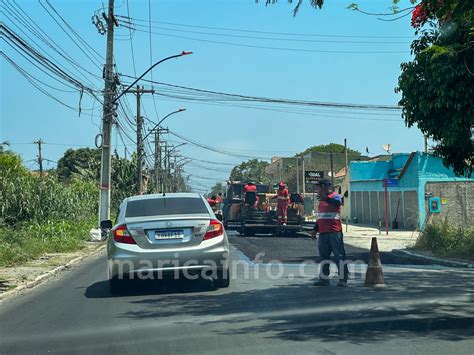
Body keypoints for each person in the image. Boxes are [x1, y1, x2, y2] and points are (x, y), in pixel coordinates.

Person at [311, 179, 349, 287]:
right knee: (323, 257)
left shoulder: (334, 196)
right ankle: (324, 279)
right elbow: (320, 217)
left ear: (324, 187)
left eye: (319, 187)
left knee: (339, 256)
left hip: (334, 232)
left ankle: (343, 279)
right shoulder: (322, 201)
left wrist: (326, 198)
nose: (318, 189)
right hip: (323, 233)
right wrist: (315, 229)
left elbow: (338, 203)